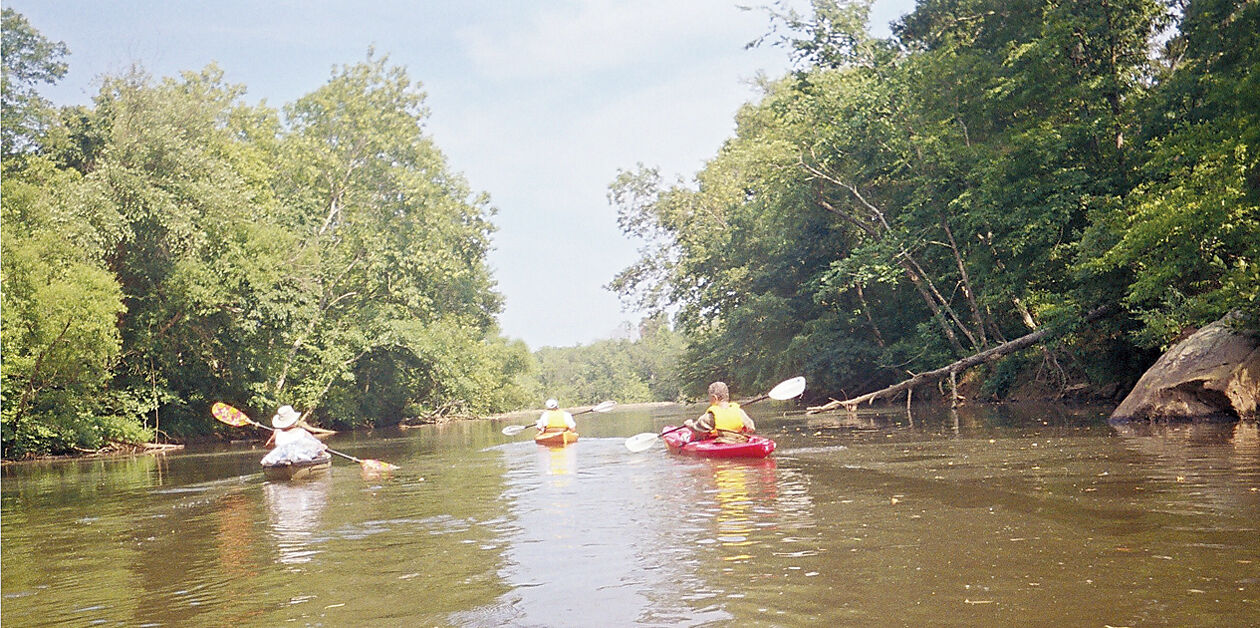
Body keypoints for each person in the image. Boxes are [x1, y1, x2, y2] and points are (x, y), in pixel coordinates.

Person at [684, 381, 755, 443]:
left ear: (714, 398)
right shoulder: (739, 411)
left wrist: (689, 424)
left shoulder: (710, 416)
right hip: (737, 440)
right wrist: (749, 427)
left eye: (709, 398)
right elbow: (750, 426)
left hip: (720, 442)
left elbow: (696, 428)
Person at [261, 405, 328, 465]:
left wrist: (276, 443)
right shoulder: (302, 432)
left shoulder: (277, 432)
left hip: (282, 460)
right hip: (300, 458)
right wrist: (323, 447)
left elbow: (267, 446)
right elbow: (315, 443)